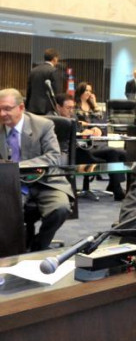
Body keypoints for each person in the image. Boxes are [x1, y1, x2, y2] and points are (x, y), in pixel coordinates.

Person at [0, 88, 72, 251]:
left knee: (60, 208)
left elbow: (54, 157)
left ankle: (38, 246)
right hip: (11, 184)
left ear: (21, 107)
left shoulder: (43, 125)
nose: (2, 114)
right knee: (7, 212)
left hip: (46, 181)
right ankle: (13, 253)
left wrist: (16, 167)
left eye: (7, 108)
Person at [55, 94, 127, 200]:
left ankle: (114, 185)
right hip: (73, 152)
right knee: (113, 153)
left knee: (116, 152)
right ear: (58, 107)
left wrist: (92, 130)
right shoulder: (53, 119)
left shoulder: (72, 116)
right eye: (68, 108)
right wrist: (80, 134)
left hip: (85, 147)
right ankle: (116, 188)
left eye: (72, 108)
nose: (71, 111)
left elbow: (81, 128)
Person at [26, 48, 64, 115]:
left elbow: (29, 90)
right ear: (54, 59)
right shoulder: (54, 71)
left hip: (31, 107)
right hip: (47, 109)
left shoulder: (34, 70)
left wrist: (27, 105)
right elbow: (57, 92)